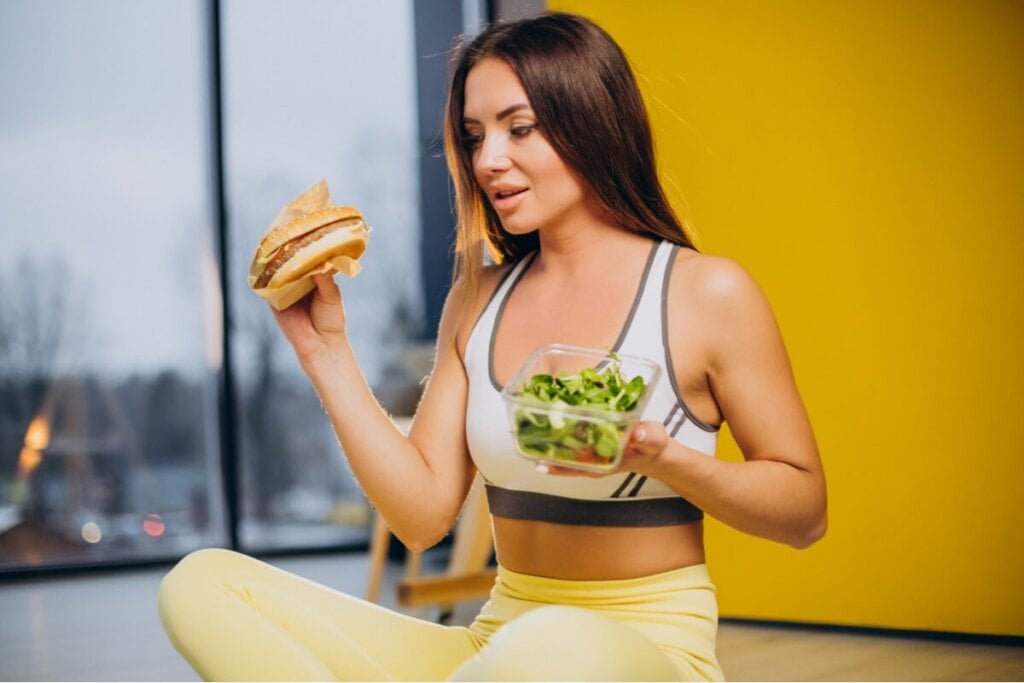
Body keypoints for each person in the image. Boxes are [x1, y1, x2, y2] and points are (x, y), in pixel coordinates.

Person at [158, 11, 826, 681]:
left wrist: (665, 457)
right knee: (204, 582)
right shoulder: (478, 298)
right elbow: (421, 518)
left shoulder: (705, 293)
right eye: (474, 136)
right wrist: (325, 352)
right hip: (497, 648)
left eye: (520, 128)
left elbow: (805, 511)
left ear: (591, 119)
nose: (488, 160)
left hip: (645, 652)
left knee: (552, 645)